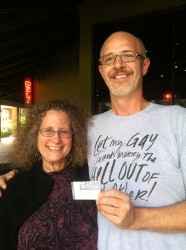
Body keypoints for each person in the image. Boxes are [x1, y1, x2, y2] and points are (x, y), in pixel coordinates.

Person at [87, 31, 186, 250]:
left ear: (145, 65)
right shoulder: (88, 128)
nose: (118, 64)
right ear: (102, 71)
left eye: (128, 55)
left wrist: (136, 218)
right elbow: (61, 176)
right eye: (109, 58)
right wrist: (15, 178)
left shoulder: (179, 120)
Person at [0, 100, 97, 250]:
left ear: (74, 136)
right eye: (48, 131)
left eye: (64, 131)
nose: (56, 139)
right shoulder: (16, 185)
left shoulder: (89, 175)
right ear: (35, 135)